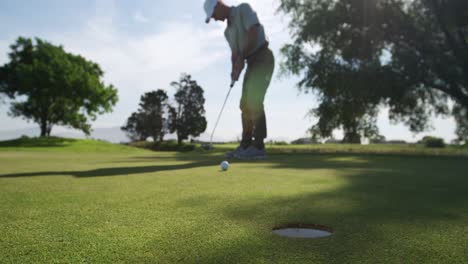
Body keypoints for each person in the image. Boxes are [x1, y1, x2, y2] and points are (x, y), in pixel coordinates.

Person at [204, 0, 275, 160]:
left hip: (263, 57)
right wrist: (234, 70)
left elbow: (253, 31)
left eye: (214, 14)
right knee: (244, 103)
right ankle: (245, 145)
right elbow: (235, 54)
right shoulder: (227, 32)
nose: (214, 18)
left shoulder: (243, 9)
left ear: (219, 5)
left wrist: (241, 57)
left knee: (254, 100)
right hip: (251, 62)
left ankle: (258, 146)